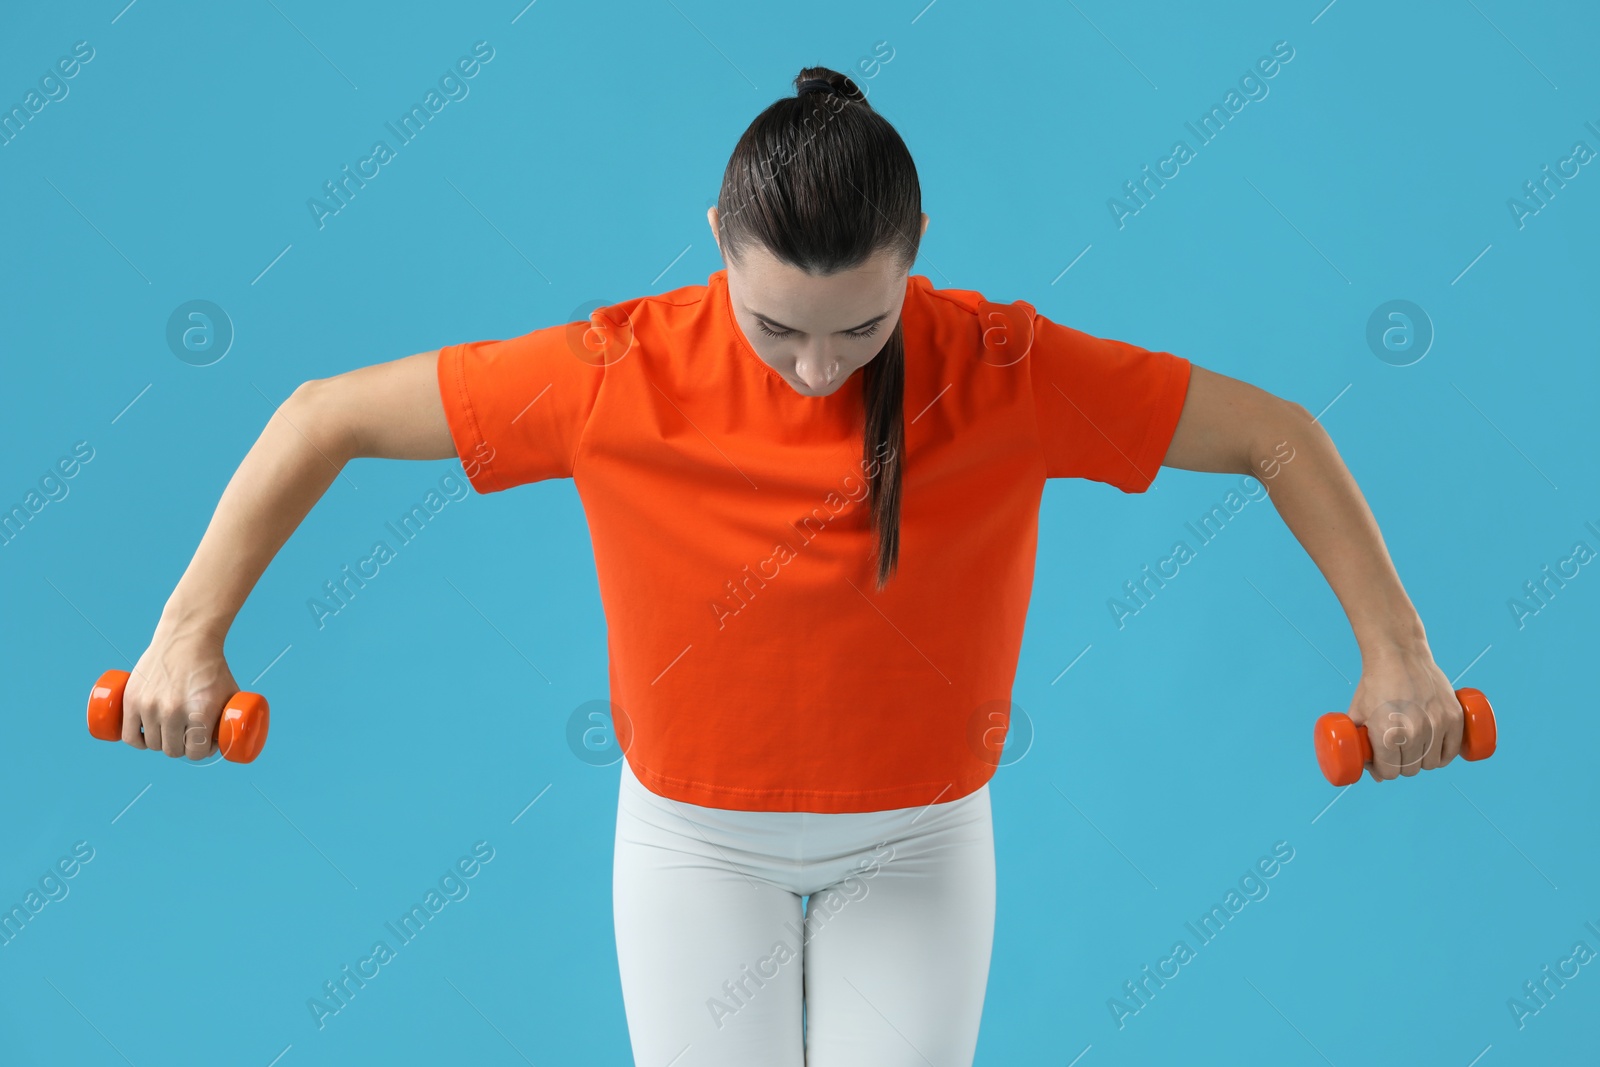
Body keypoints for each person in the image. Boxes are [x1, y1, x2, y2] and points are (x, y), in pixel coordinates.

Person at [118, 65, 1466, 1066]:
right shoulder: (616, 374)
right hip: (695, 850)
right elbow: (322, 416)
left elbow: (1277, 436)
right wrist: (188, 633)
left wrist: (1397, 653)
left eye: (860, 329)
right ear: (718, 240)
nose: (819, 369)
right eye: (778, 332)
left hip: (921, 847)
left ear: (914, 256)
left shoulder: (1007, 370)